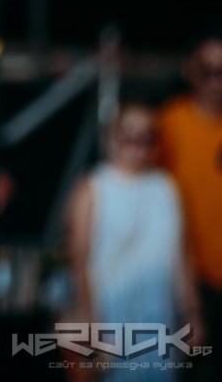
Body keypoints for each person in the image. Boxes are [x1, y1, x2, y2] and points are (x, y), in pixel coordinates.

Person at [63, 101, 202, 381]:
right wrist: (90, 323)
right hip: (109, 320)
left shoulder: (166, 189)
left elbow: (180, 258)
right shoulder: (92, 188)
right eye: (128, 133)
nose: (137, 143)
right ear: (111, 136)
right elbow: (78, 261)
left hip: (159, 320)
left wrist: (192, 313)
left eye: (146, 135)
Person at [157, 28, 222, 379]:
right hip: (188, 285)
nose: (216, 81)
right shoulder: (168, 125)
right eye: (207, 71)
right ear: (189, 70)